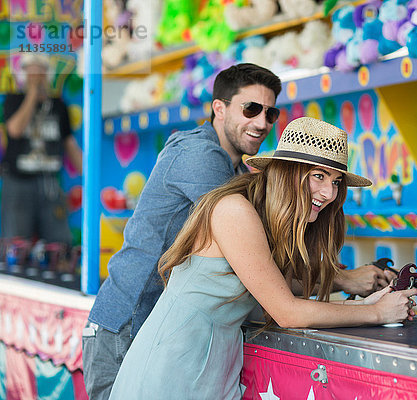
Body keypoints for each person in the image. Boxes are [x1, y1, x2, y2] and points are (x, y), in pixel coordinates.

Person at [82, 64, 393, 399]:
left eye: (270, 113)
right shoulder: (204, 161)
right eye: (251, 109)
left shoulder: (236, 177)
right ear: (219, 107)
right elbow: (269, 286)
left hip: (199, 357)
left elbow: (259, 276)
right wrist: (356, 293)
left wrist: (361, 297)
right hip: (129, 322)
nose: (261, 122)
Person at [1, 53, 82, 245]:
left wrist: (89, 175)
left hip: (50, 184)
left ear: (47, 75)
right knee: (17, 243)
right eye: (31, 73)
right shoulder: (14, 100)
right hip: (18, 182)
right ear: (22, 76)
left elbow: (69, 143)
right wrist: (31, 95)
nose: (36, 77)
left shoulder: (58, 105)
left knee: (59, 242)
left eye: (40, 72)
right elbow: (14, 130)